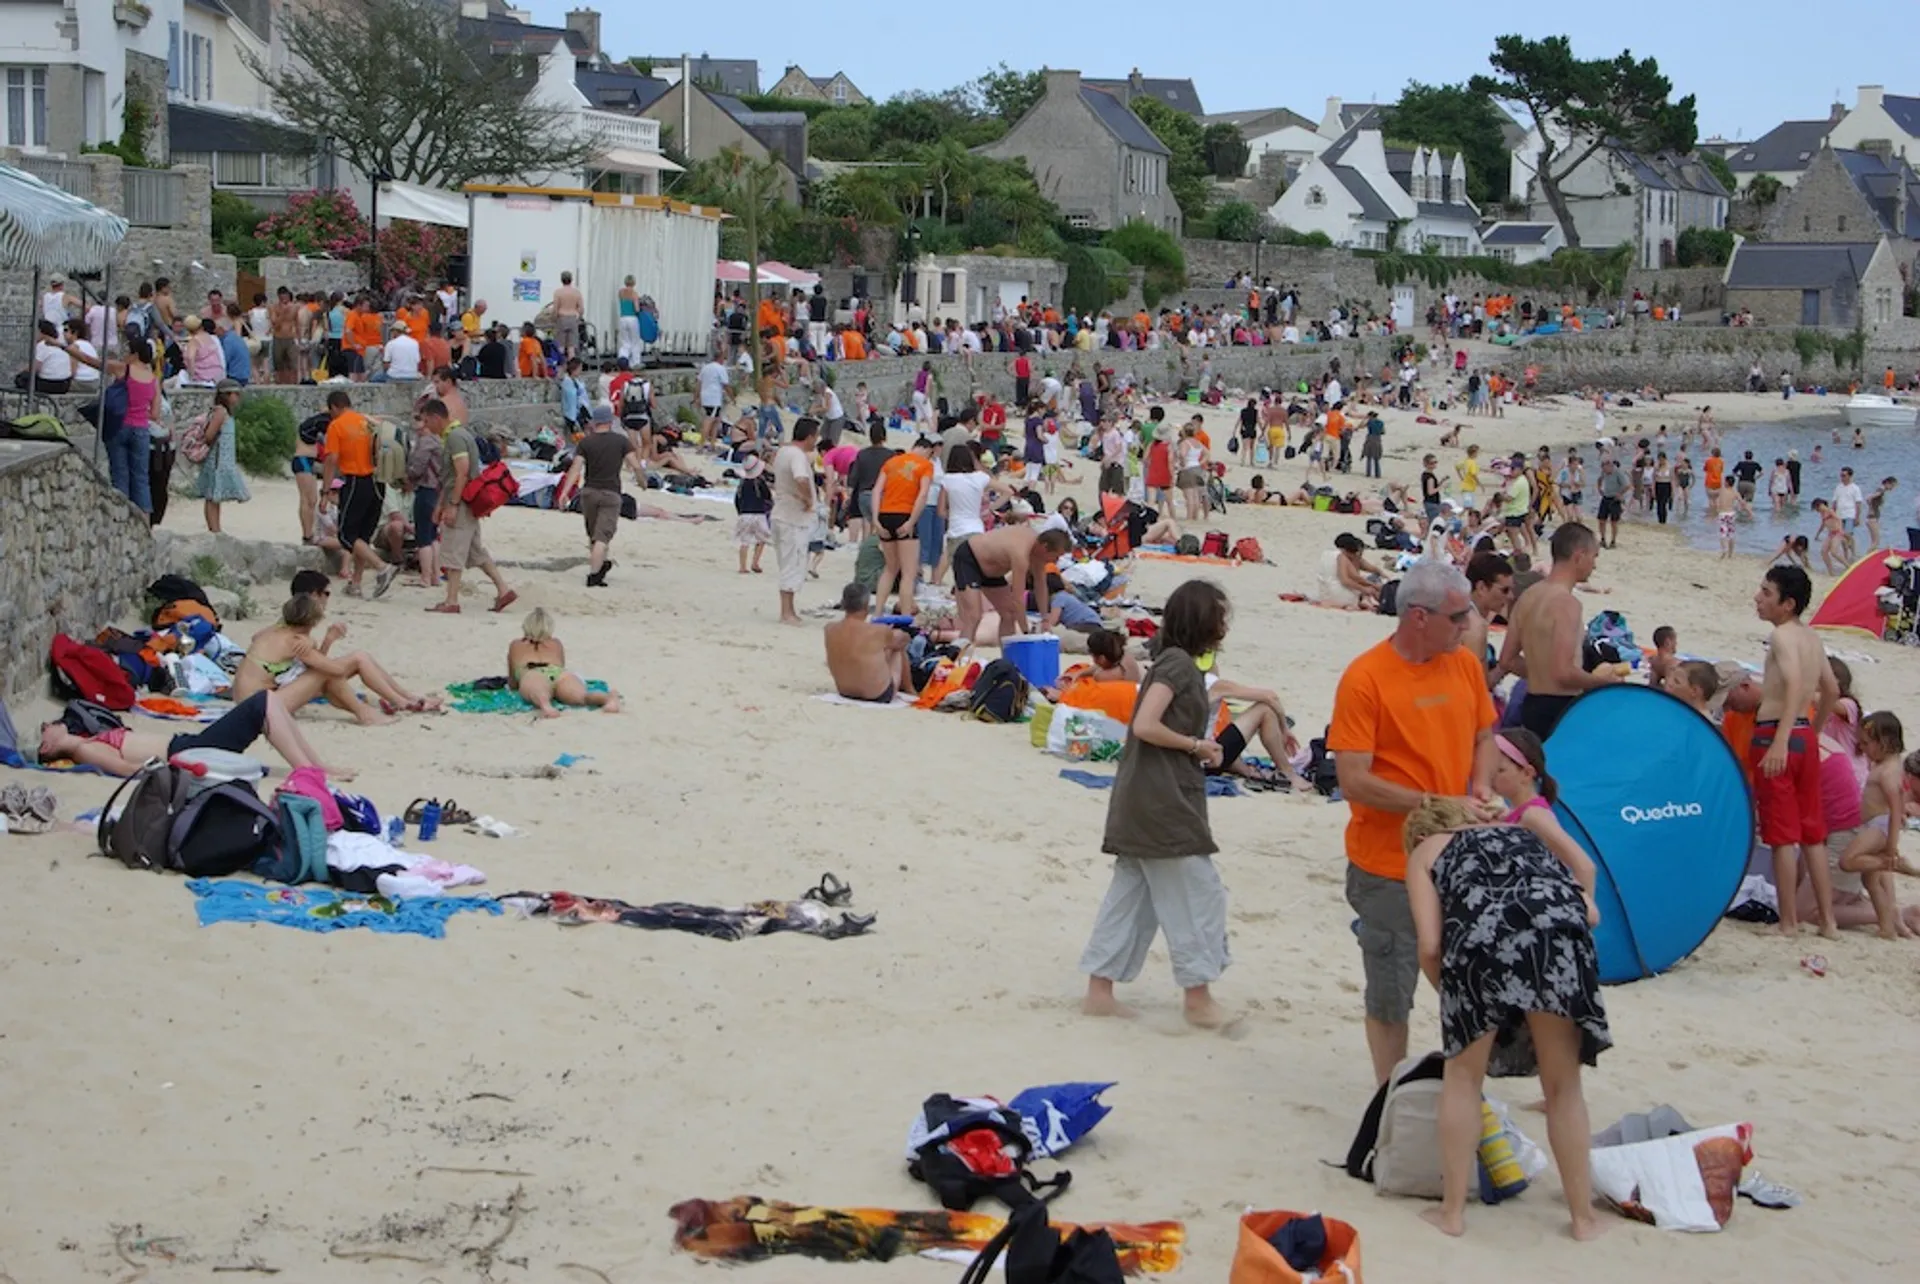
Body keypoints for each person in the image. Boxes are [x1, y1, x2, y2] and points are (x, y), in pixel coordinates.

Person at [1402, 794, 1610, 1242]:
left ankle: (1452, 1214)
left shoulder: (1425, 851)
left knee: (1462, 1079)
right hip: (1558, 937)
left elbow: (1431, 945)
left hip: (1479, 944)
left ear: (1420, 834)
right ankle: (1583, 1219)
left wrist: (1452, 996)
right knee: (1564, 1087)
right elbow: (1590, 912)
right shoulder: (1521, 833)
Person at [1330, 558, 1501, 1083]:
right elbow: (1354, 780)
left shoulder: (1464, 665)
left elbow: (1485, 736)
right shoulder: (1366, 679)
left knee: (1472, 976)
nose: (1470, 624)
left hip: (1461, 854)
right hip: (1389, 865)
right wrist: (1435, 804)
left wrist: (1481, 787)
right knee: (1390, 988)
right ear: (1419, 617)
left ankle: (1465, 1082)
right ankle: (1390, 1093)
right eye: (1458, 616)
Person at [1080, 579, 1239, 1029]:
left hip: (1143, 794)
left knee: (1133, 896)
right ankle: (1198, 998)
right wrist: (1195, 745)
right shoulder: (1178, 666)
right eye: (1219, 618)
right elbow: (1146, 724)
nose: (1223, 627)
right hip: (1161, 798)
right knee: (1197, 892)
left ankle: (1099, 991)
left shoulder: (1172, 661)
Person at [1751, 564, 1841, 938]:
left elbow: (1793, 684)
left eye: (1766, 593)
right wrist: (1812, 733)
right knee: (1812, 833)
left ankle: (1788, 922)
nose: (1758, 598)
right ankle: (1828, 922)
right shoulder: (1812, 638)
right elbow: (1832, 690)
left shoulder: (1782, 636)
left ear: (1787, 604)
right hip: (1803, 735)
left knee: (1782, 836)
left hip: (1777, 733)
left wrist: (1781, 741)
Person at [34, 690, 353, 779]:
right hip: (188, 754)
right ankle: (308, 771)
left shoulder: (88, 740)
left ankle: (316, 766)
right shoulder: (85, 751)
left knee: (269, 701)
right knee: (263, 703)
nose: (47, 725)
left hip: (188, 745)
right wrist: (179, 772)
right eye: (44, 730)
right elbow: (128, 769)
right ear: (48, 747)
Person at [233, 593, 440, 722]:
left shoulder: (275, 632)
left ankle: (405, 698)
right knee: (348, 663)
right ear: (313, 621)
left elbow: (311, 666)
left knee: (358, 657)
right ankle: (368, 712)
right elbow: (334, 670)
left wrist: (319, 642)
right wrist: (326, 640)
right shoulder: (295, 642)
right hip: (259, 708)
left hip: (250, 702)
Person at [1497, 523, 1619, 739]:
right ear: (1579, 556)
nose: (1594, 565)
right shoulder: (1567, 604)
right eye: (1594, 557)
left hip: (1532, 702)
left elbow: (1507, 660)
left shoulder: (1528, 596)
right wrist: (1602, 683)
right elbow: (1563, 673)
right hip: (1559, 707)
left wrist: (1539, 673)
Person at [1817, 713, 1919, 938]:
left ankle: (1891, 864)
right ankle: (1887, 927)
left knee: (1848, 861)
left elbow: (1895, 809)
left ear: (1884, 742)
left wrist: (1890, 847)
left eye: (1865, 743)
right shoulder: (1884, 765)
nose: (1861, 749)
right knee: (1870, 881)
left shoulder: (1888, 771)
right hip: (1874, 824)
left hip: (1879, 826)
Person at [429, 400, 517, 614]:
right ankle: (503, 590)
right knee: (475, 551)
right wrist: (441, 504)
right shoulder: (460, 435)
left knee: (454, 551)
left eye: (426, 420)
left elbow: (461, 472)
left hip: (461, 501)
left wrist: (452, 505)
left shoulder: (455, 438)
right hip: (469, 500)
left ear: (435, 418)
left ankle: (451, 600)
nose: (426, 426)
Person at [319, 391, 399, 599]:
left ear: (334, 407)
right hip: (378, 481)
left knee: (347, 535)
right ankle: (356, 583)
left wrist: (325, 492)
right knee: (362, 535)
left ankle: (382, 568)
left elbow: (331, 459)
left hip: (356, 480)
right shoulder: (367, 421)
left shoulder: (336, 426)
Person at [953, 522, 1074, 644]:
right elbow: (1018, 598)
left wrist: (1045, 619)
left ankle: (1007, 654)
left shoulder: (1038, 555)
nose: (1056, 561)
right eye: (1056, 556)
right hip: (969, 559)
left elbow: (1041, 586)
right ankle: (960, 653)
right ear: (1045, 547)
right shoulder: (1021, 554)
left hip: (992, 572)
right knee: (973, 616)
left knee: (1009, 614)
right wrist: (1026, 632)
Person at [565, 404, 641, 587]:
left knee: (594, 535)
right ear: (610, 421)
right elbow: (635, 464)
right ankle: (593, 576)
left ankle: (600, 567)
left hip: (589, 493)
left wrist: (565, 492)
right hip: (611, 494)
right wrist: (643, 481)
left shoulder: (586, 442)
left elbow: (575, 469)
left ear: (595, 422)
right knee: (602, 537)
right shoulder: (621, 441)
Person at [508, 608, 620, 718]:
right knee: (581, 696)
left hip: (531, 671)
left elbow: (513, 680)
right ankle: (608, 698)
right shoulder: (556, 643)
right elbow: (561, 665)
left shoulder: (516, 644)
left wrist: (517, 685)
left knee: (539, 692)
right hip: (558, 673)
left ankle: (546, 706)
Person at [871, 435, 936, 618]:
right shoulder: (925, 465)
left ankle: (878, 612)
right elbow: (923, 494)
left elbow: (877, 490)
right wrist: (911, 521)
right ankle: (906, 616)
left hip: (885, 514)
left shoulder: (891, 462)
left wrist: (876, 519)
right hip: (905, 514)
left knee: (890, 568)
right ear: (927, 450)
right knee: (908, 572)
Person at [823, 582, 912, 703]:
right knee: (896, 647)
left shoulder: (829, 629)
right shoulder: (878, 631)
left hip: (845, 691)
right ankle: (910, 689)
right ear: (866, 605)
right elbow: (904, 639)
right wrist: (895, 632)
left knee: (877, 649)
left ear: (843, 604)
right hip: (878, 695)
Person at [771, 417, 820, 626]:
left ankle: (789, 609)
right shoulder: (797, 456)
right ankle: (787, 612)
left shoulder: (783, 452)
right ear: (809, 437)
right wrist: (808, 499)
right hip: (793, 517)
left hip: (781, 513)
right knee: (793, 563)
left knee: (787, 562)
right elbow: (801, 478)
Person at [190, 380, 250, 533]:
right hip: (217, 460)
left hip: (222, 460)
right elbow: (209, 435)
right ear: (226, 395)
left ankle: (216, 528)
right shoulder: (221, 412)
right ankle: (214, 529)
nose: (237, 397)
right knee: (212, 496)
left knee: (215, 497)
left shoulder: (224, 412)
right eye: (235, 394)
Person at [1462, 551, 1515, 685]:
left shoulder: (1462, 612)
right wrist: (1505, 664)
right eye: (1504, 590)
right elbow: (1480, 685)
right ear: (1481, 588)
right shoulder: (1474, 626)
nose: (1510, 596)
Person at [731, 448, 773, 574]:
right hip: (759, 514)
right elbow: (767, 496)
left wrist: (740, 512)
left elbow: (737, 499)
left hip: (745, 514)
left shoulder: (742, 483)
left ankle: (742, 566)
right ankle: (755, 562)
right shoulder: (760, 482)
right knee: (762, 539)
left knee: (744, 541)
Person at [551, 271, 584, 358]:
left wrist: (554, 319)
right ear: (571, 280)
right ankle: (572, 364)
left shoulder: (558, 292)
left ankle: (561, 364)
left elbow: (555, 308)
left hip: (561, 318)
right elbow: (581, 309)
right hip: (573, 318)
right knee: (571, 347)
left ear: (561, 280)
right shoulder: (576, 292)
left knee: (560, 346)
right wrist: (578, 318)